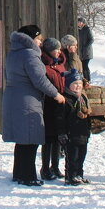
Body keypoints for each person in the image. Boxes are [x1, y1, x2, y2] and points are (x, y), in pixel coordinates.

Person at [1, 25, 64, 186]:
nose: (41, 43)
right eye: (39, 39)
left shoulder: (14, 53)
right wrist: (56, 94)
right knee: (30, 139)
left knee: (21, 141)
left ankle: (18, 173)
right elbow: (39, 80)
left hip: (13, 98)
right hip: (27, 100)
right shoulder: (30, 55)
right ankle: (28, 176)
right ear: (31, 39)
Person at [39, 37, 68, 181]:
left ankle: (55, 166)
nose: (59, 52)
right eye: (56, 49)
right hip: (49, 104)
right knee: (48, 138)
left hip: (60, 104)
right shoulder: (44, 66)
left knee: (58, 138)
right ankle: (45, 168)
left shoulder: (61, 64)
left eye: (59, 49)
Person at [58, 69, 92, 185]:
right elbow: (61, 118)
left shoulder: (83, 99)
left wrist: (88, 130)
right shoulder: (66, 100)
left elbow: (87, 116)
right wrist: (62, 133)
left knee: (81, 156)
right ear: (68, 85)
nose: (77, 86)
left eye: (79, 84)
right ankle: (70, 176)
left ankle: (79, 174)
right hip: (71, 134)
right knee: (72, 157)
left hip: (83, 134)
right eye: (74, 84)